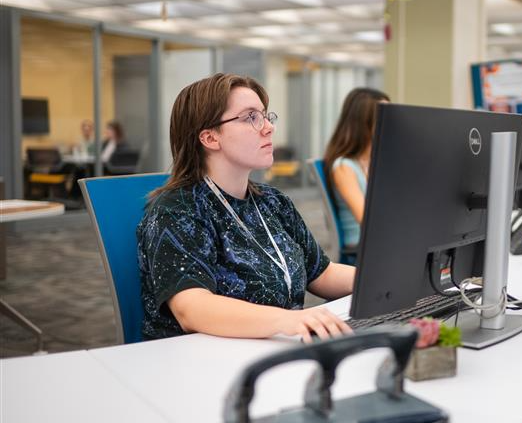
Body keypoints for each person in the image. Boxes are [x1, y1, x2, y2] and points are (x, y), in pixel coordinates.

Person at [137, 73, 354, 342]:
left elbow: (322, 272)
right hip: (201, 364)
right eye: (251, 117)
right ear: (210, 138)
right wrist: (287, 320)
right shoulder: (178, 210)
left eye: (265, 116)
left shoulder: (272, 202)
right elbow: (191, 308)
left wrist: (379, 280)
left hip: (272, 349)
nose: (268, 128)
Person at [322, 88, 390, 251]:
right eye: (385, 117)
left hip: (382, 241)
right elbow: (367, 221)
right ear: (363, 123)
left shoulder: (375, 161)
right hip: (362, 246)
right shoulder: (344, 167)